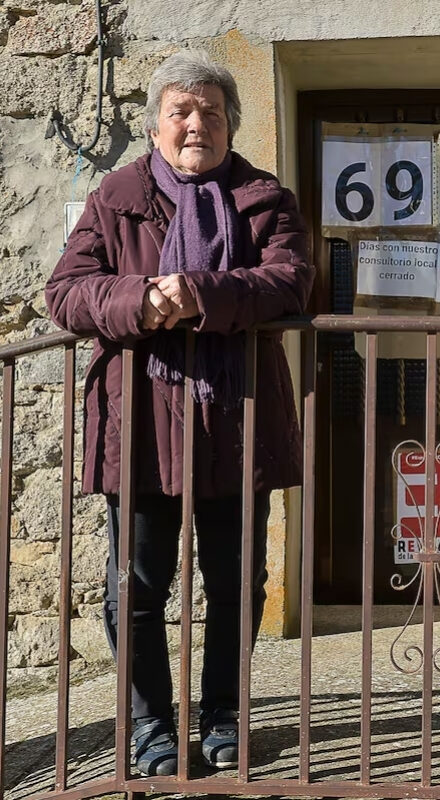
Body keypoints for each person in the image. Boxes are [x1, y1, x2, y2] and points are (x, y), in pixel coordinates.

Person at [45, 50, 314, 776]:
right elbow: (66, 291)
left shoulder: (265, 198)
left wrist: (201, 293)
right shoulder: (117, 195)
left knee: (235, 582)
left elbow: (291, 280)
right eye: (181, 112)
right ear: (156, 126)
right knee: (135, 587)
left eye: (212, 113)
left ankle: (223, 715)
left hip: (236, 418)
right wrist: (138, 300)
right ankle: (151, 726)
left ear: (230, 124)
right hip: (139, 421)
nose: (197, 125)